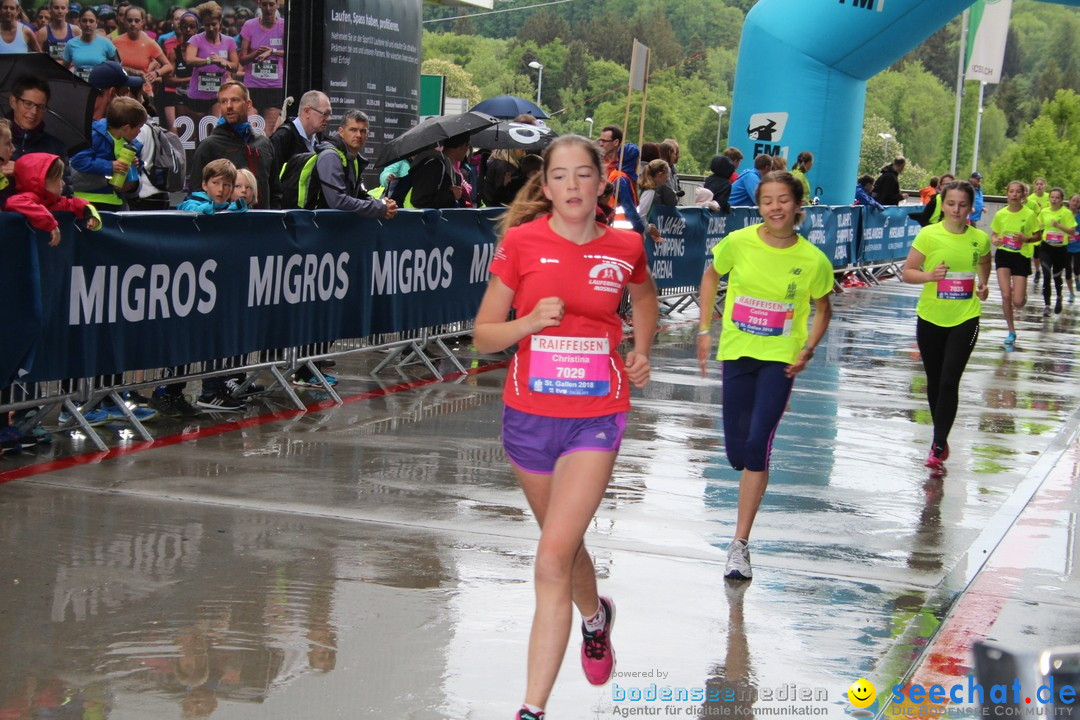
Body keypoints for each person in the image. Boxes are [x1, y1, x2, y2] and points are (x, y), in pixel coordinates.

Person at [472, 134, 658, 720]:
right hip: (529, 418)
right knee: (565, 543)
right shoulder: (522, 243)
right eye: (561, 176)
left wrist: (643, 348)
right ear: (545, 185)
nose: (573, 186)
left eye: (584, 174)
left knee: (551, 558)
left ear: (603, 180)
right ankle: (595, 617)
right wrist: (527, 321)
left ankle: (531, 708)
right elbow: (482, 336)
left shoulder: (626, 245)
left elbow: (645, 296)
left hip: (596, 418)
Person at [696, 171, 833, 580]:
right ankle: (746, 466)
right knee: (738, 452)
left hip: (780, 358)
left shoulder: (813, 260)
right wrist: (705, 328)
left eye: (783, 200)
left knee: (758, 446)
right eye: (767, 200)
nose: (775, 207)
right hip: (738, 352)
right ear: (759, 207)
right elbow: (709, 275)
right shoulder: (738, 243)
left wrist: (807, 349)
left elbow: (825, 308)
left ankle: (739, 545)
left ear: (796, 206)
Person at [901, 180, 991, 475]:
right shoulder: (928, 235)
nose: (956, 210)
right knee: (935, 380)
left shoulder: (979, 238)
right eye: (951, 204)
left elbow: (985, 261)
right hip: (930, 318)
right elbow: (908, 273)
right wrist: (930, 276)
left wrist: (984, 282)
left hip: (965, 317)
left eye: (962, 205)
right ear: (943, 204)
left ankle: (938, 445)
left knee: (950, 381)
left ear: (971, 207)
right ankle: (940, 436)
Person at [189, 81, 277, 209]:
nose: (229, 106)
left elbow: (275, 190)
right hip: (225, 225)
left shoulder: (264, 143)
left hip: (262, 223)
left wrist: (273, 220)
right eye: (224, 102)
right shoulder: (209, 146)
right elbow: (196, 195)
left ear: (248, 104)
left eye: (235, 100)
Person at [5, 153, 101, 247]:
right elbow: (13, 202)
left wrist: (89, 214)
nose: (63, 183)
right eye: (59, 178)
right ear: (42, 180)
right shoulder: (27, 198)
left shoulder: (54, 200)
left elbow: (74, 203)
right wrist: (50, 223)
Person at [70, 96, 146, 210]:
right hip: (87, 201)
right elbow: (78, 160)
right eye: (138, 128)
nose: (139, 132)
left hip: (115, 201)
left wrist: (135, 166)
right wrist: (110, 166)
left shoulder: (134, 145)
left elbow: (135, 179)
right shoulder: (94, 135)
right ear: (126, 128)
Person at [990, 180, 1040, 348]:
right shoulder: (1001, 214)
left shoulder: (1029, 214)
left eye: (1017, 192)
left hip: (1021, 256)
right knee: (1005, 295)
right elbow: (994, 234)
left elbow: (1038, 236)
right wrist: (995, 240)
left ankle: (1021, 294)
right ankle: (1011, 331)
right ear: (1007, 194)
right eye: (1011, 191)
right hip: (1004, 255)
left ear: (1023, 195)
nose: (1014, 194)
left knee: (1017, 301)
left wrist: (1026, 239)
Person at [7, 76, 72, 195]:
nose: (34, 112)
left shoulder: (55, 147)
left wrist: (22, 171)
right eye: (28, 104)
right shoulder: (2, 141)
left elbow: (65, 193)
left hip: (41, 212)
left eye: (41, 107)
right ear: (13, 102)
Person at [185, 2, 238, 115]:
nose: (210, 28)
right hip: (197, 94)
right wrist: (209, 61)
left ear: (220, 22)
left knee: (214, 125)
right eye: (207, 24)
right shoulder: (196, 39)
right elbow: (189, 60)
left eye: (214, 24)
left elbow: (235, 67)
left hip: (218, 94)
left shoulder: (229, 41)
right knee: (199, 130)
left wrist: (223, 62)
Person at [269, 90, 331, 180]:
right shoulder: (282, 137)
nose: (329, 118)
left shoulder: (316, 141)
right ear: (307, 111)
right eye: (325, 114)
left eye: (330, 114)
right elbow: (272, 179)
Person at [238, 0, 285, 117]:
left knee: (269, 129)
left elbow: (290, 53)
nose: (268, 8)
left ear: (277, 5)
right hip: (253, 85)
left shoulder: (284, 25)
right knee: (252, 127)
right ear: (259, 5)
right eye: (264, 4)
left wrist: (272, 51)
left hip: (275, 86)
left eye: (271, 4)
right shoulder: (249, 25)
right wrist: (256, 53)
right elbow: (242, 59)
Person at [113, 5, 171, 96]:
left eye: (136, 20)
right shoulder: (116, 42)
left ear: (143, 22)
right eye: (129, 20)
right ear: (124, 21)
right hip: (121, 90)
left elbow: (168, 66)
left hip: (143, 91)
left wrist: (156, 73)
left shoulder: (150, 43)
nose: (133, 24)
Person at [1036, 187, 1077, 317]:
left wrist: (1058, 226)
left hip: (1060, 249)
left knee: (1056, 276)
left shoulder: (1066, 213)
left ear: (1061, 200)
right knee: (1046, 275)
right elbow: (1037, 226)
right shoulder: (1044, 212)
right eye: (1052, 197)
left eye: (1057, 198)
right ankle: (1047, 305)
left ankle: (1059, 296)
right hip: (1046, 247)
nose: (1054, 200)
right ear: (1049, 199)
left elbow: (1072, 231)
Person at [408, 134, 469, 209]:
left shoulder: (450, 170)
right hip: (426, 219)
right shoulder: (435, 165)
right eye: (467, 146)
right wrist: (451, 195)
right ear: (463, 146)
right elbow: (420, 200)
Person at [63, 7, 120, 82]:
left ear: (97, 22)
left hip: (100, 88)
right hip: (78, 87)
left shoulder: (106, 43)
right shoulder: (71, 44)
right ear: (79, 22)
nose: (87, 24)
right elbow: (63, 70)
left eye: (91, 21)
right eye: (84, 21)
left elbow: (118, 66)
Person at [1027, 178, 1049, 287]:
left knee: (1044, 251)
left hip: (1047, 228)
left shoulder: (1049, 197)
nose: (1039, 186)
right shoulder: (1030, 198)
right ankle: (1038, 271)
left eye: (1041, 184)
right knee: (1036, 253)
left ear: (1045, 186)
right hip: (1035, 228)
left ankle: (1046, 270)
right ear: (1034, 186)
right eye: (1037, 184)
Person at [1067, 193, 1080, 303]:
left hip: (1078, 246)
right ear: (1069, 201)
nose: (1075, 203)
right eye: (1074, 200)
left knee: (1077, 268)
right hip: (1065, 246)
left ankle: (1077, 278)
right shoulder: (1063, 214)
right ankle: (1071, 293)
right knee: (1067, 271)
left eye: (1078, 201)